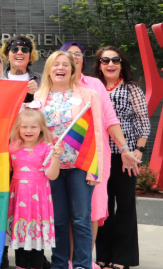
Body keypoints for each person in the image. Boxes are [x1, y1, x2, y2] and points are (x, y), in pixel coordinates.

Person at [33, 51, 119, 269]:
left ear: (72, 70)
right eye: (56, 65)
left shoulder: (89, 95)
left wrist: (94, 170)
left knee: (81, 219)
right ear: (49, 70)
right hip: (52, 168)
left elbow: (98, 134)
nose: (60, 68)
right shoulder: (39, 97)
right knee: (59, 221)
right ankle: (60, 264)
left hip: (81, 166)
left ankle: (82, 264)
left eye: (65, 65)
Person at [60, 42, 121, 264]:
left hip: (94, 157)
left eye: (77, 55)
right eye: (68, 55)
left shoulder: (94, 84)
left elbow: (110, 120)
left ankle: (85, 261)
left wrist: (124, 149)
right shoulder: (54, 85)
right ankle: (67, 259)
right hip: (63, 161)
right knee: (66, 212)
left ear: (83, 60)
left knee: (92, 210)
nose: (73, 58)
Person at [93, 46, 150, 269]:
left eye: (115, 60)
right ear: (99, 65)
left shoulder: (131, 88)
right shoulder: (93, 87)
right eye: (105, 60)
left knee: (125, 206)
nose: (110, 64)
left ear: (121, 64)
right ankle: (104, 255)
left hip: (125, 157)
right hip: (100, 156)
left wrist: (139, 150)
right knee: (103, 207)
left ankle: (123, 258)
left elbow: (143, 121)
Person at [7, 107, 62, 269]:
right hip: (18, 201)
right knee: (21, 237)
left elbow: (52, 175)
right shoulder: (12, 147)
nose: (28, 130)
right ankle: (21, 265)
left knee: (36, 240)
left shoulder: (46, 148)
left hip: (39, 201)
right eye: (24, 126)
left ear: (41, 129)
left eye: (33, 127)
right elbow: (5, 171)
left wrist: (56, 158)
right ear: (18, 128)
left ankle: (38, 264)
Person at [0, 35, 40, 102]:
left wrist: (37, 93)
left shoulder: (42, 80)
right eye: (14, 50)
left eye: (25, 50)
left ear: (30, 56)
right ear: (7, 56)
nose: (20, 53)